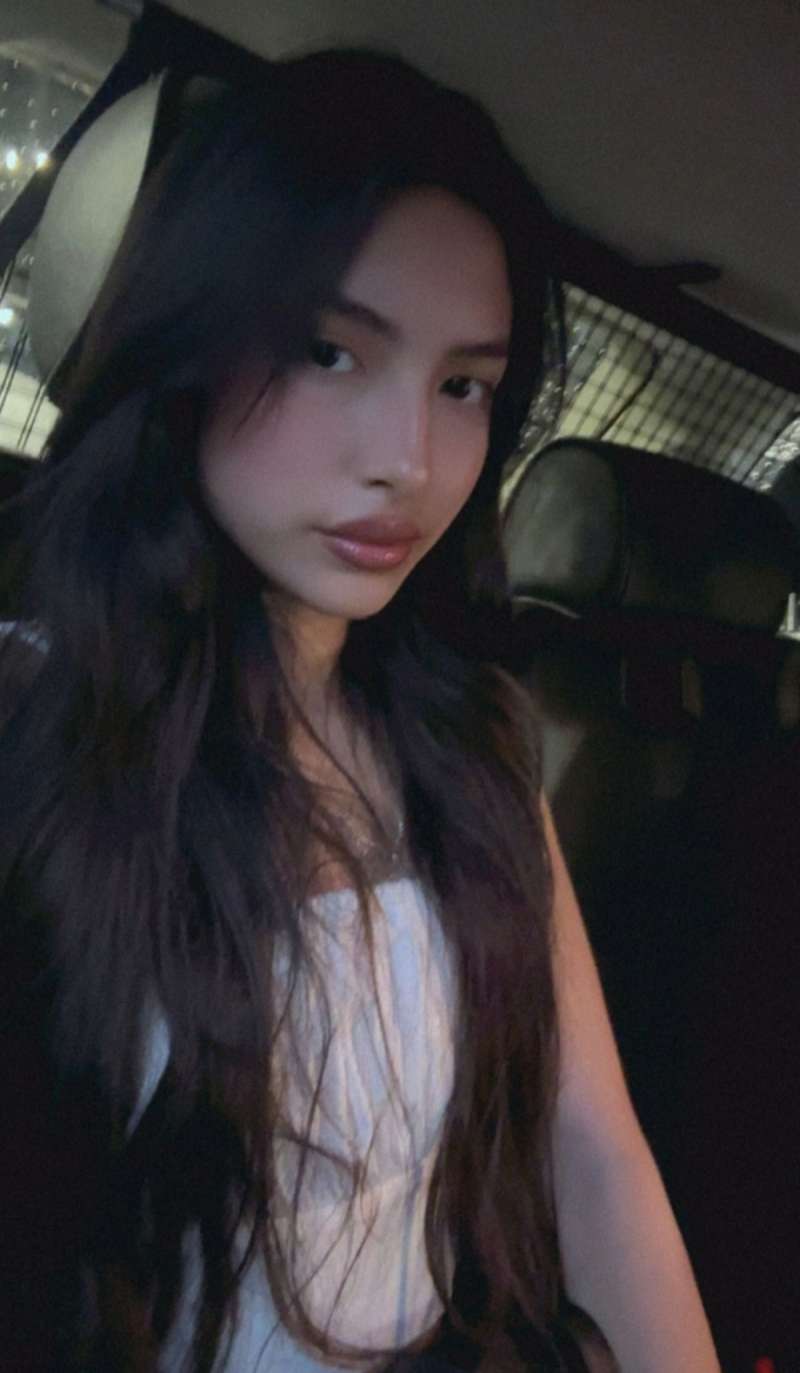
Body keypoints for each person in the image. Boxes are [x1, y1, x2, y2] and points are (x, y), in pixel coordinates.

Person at [0, 48, 720, 1373]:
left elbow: (592, 1147)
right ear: (191, 338)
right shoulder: (38, 719)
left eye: (464, 386)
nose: (410, 460)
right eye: (331, 352)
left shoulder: (476, 738)